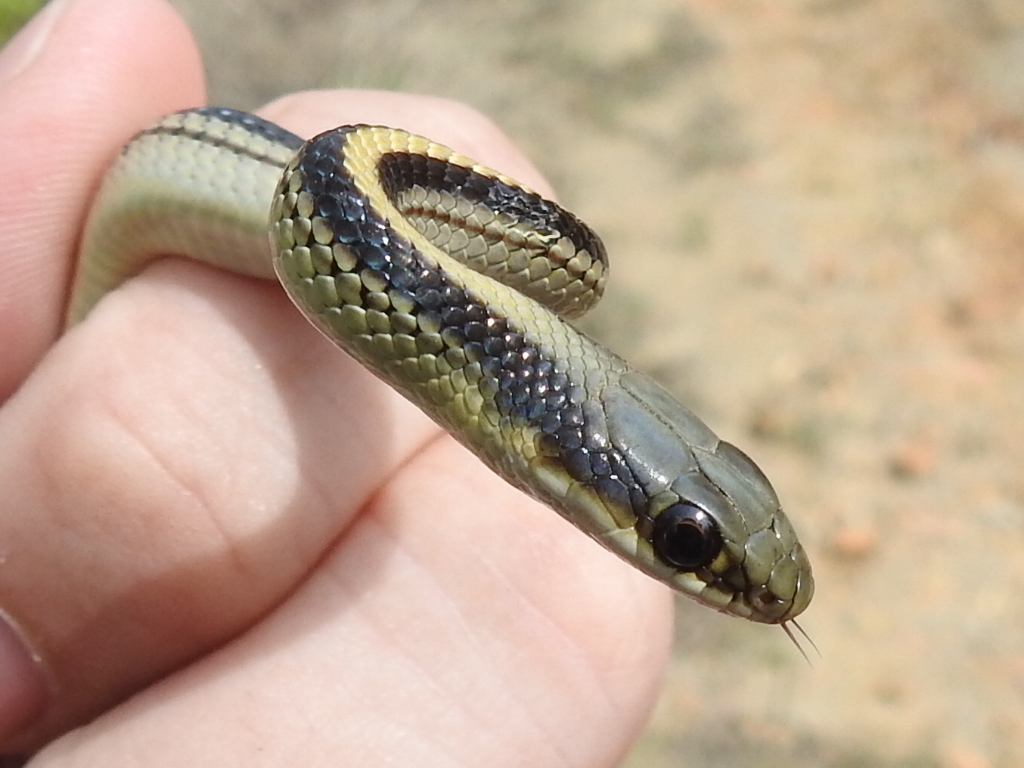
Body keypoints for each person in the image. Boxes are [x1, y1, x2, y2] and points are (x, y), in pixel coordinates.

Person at [0, 0, 673, 763]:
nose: (680, 561)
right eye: (679, 540)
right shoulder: (354, 200)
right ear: (569, 459)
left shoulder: (378, 232)